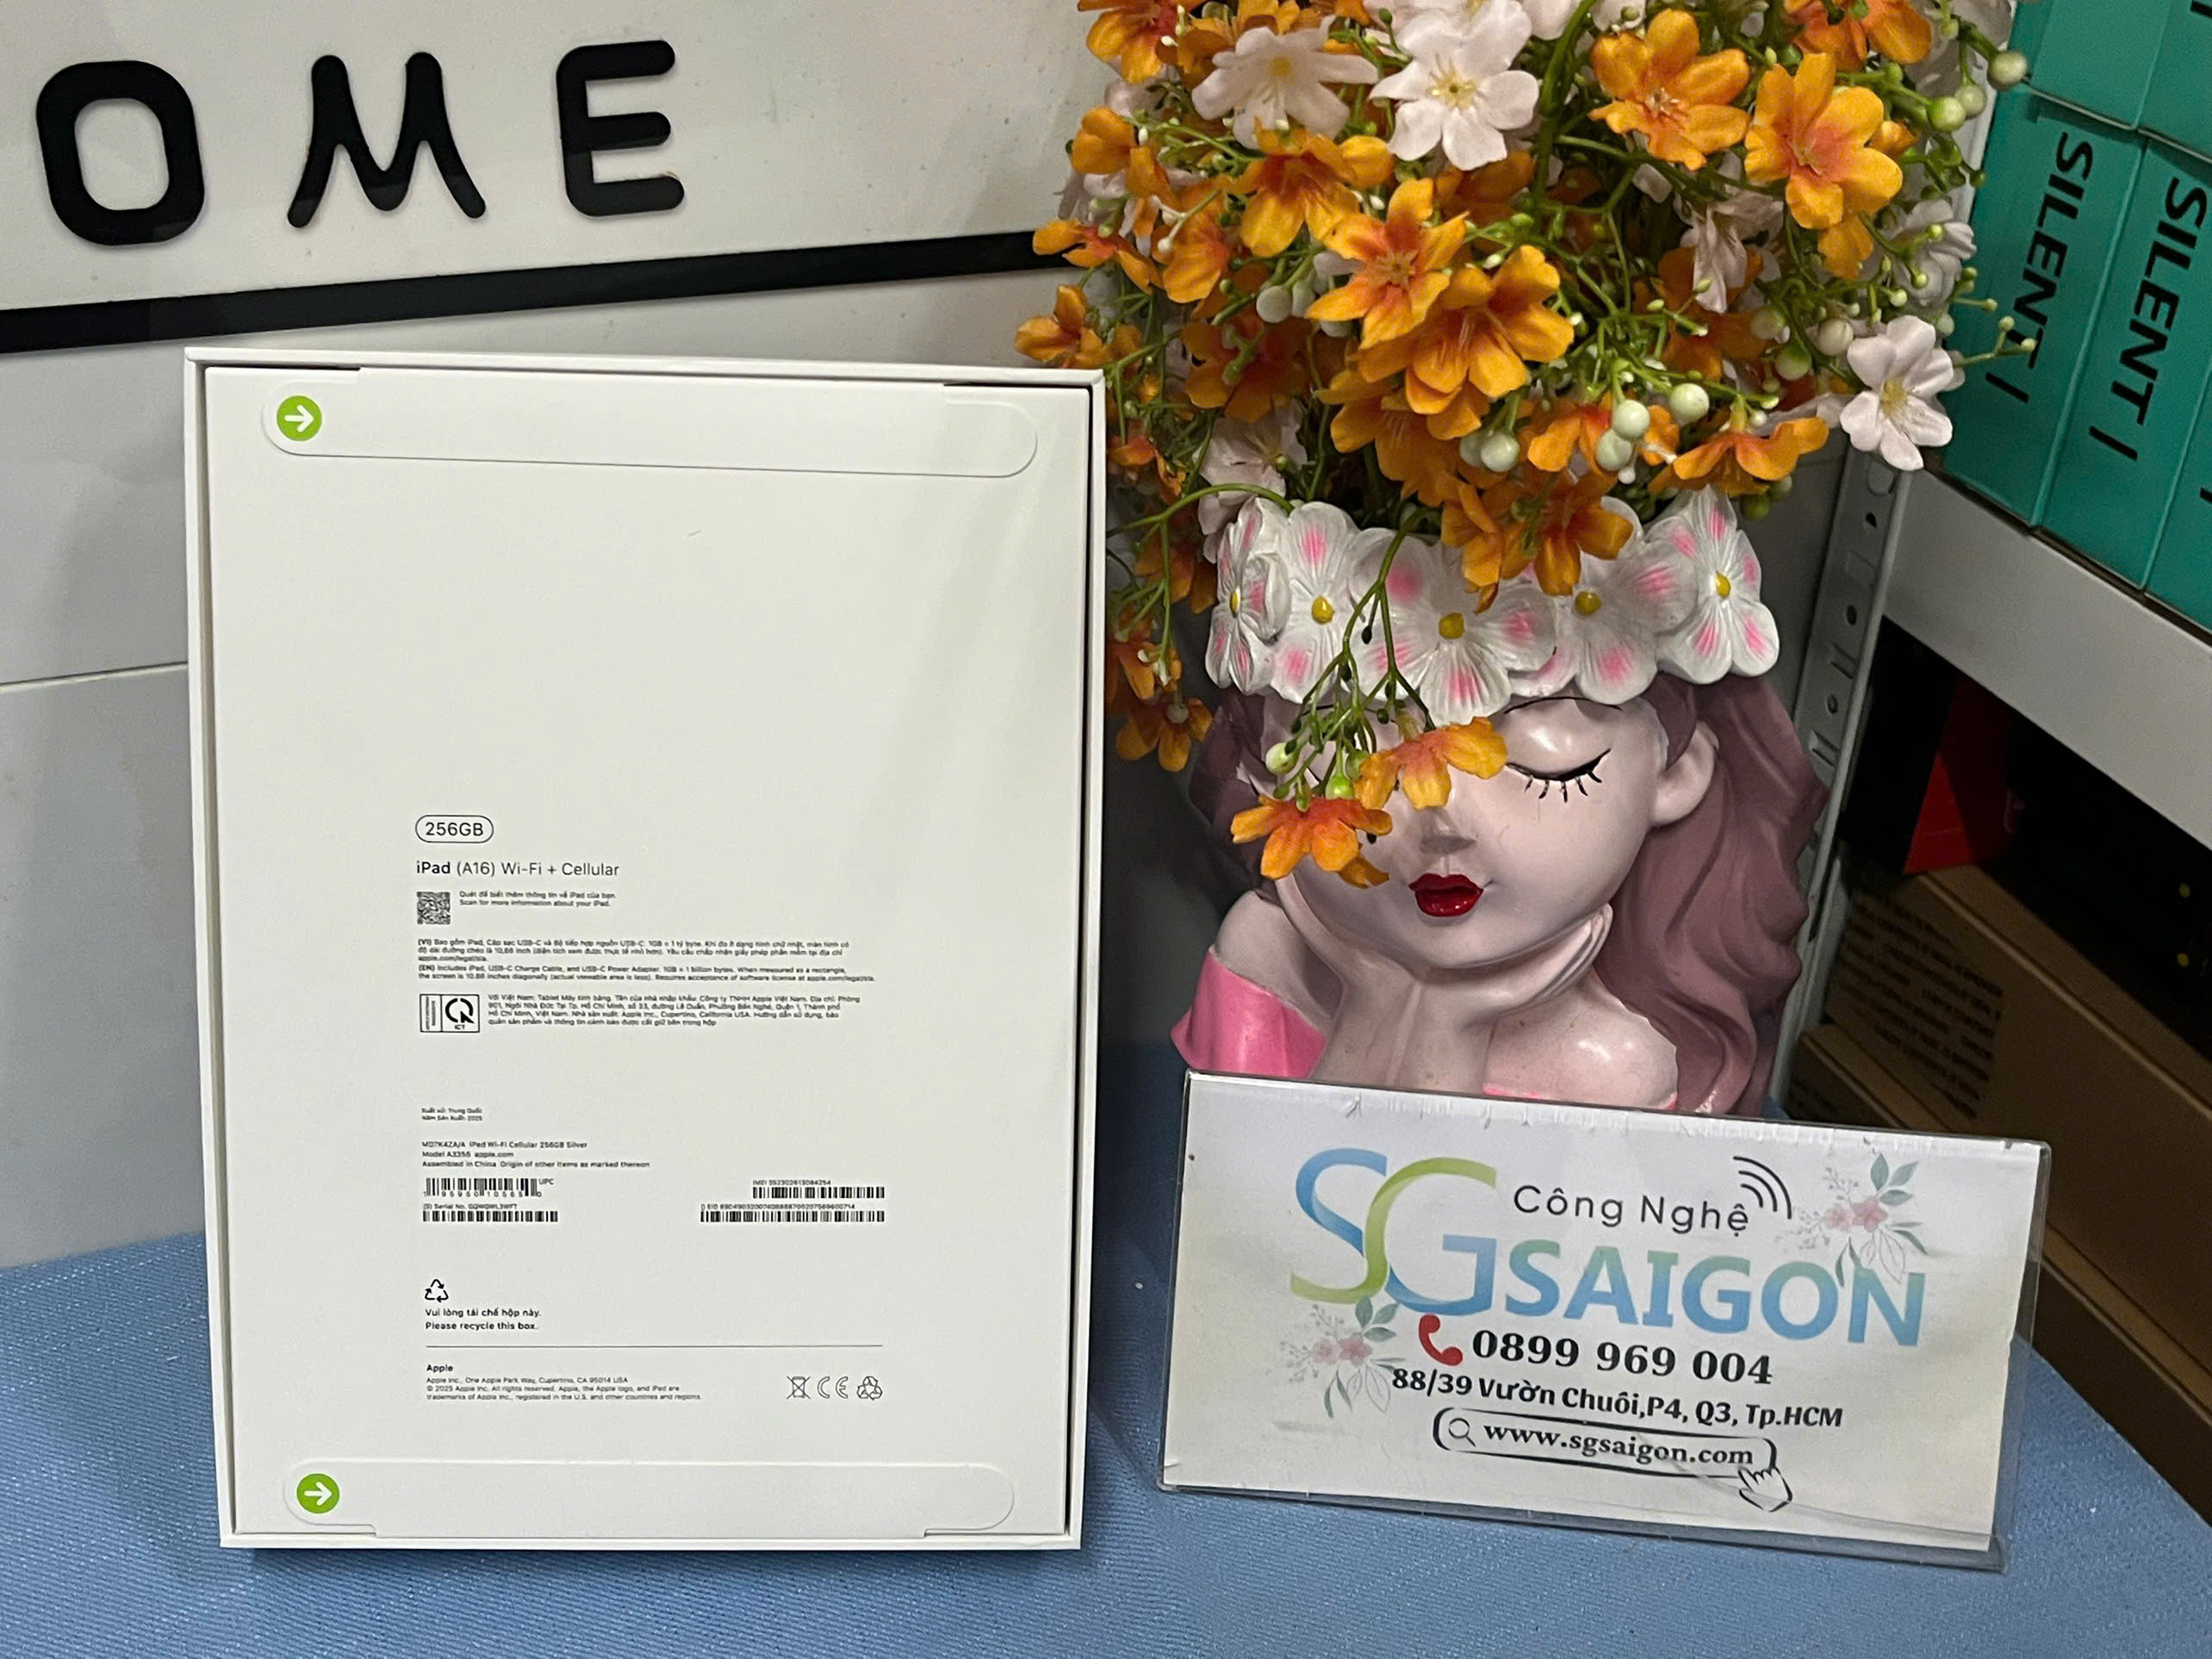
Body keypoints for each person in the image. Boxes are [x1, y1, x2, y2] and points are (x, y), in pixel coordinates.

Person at [1175, 674, 1824, 1115]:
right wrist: (1379, 1011)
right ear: (1263, 768)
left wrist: (1447, 1029)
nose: (1442, 822)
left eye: (1546, 772)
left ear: (1675, 773)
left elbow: (1486, 1259)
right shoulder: (1264, 960)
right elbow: (1248, 1228)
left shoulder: (1612, 1068)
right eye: (1356, 762)